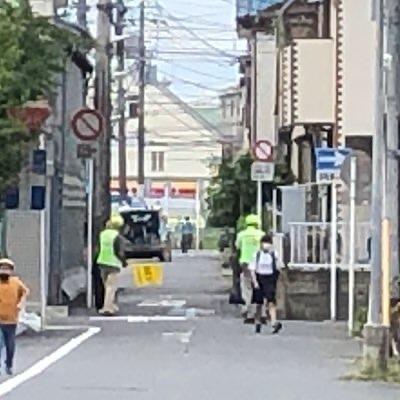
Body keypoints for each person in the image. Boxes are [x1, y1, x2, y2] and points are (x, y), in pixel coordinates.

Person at [0, 258, 29, 375]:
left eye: (7, 269)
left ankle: (9, 364)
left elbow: (25, 292)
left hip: (11, 319)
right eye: (2, 269)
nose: (4, 271)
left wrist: (21, 303)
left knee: (10, 344)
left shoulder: (16, 283)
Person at [250, 235, 283, 334]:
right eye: (264, 243)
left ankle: (274, 322)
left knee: (271, 302)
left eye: (268, 243)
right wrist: (255, 282)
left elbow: (279, 267)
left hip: (270, 279)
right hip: (259, 278)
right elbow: (252, 269)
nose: (266, 245)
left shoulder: (274, 255)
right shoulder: (257, 255)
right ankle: (258, 321)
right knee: (259, 303)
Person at [235, 214, 265, 323]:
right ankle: (262, 313)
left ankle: (248, 311)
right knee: (260, 286)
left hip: (246, 263)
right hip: (259, 264)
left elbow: (237, 246)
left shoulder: (242, 234)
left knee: (247, 287)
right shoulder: (262, 235)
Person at [96, 214, 127, 316]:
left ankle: (110, 305)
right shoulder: (117, 236)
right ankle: (107, 308)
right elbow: (119, 251)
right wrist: (124, 262)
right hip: (113, 263)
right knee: (111, 287)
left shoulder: (102, 234)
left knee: (107, 286)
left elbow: (98, 247)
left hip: (102, 261)